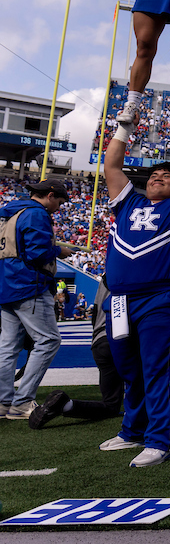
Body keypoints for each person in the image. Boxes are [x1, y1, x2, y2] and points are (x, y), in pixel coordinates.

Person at [99, 106, 170, 466]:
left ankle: (161, 440)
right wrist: (123, 127)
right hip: (117, 300)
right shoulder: (128, 202)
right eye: (155, 174)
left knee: (156, 369)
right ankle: (133, 430)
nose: (159, 176)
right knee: (128, 369)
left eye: (168, 175)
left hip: (160, 298)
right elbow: (112, 166)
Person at [30, 280, 170, 429]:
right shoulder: (141, 274)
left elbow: (98, 313)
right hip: (122, 337)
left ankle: (66, 405)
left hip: (100, 343)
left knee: (110, 405)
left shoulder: (109, 275)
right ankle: (153, 402)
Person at [0, 179, 75, 420]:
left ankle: (3, 402)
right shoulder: (36, 213)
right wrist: (58, 250)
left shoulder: (11, 210)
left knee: (8, 347)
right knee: (49, 341)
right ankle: (21, 402)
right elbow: (37, 252)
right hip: (27, 284)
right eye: (60, 202)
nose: (59, 208)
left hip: (6, 283)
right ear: (50, 195)